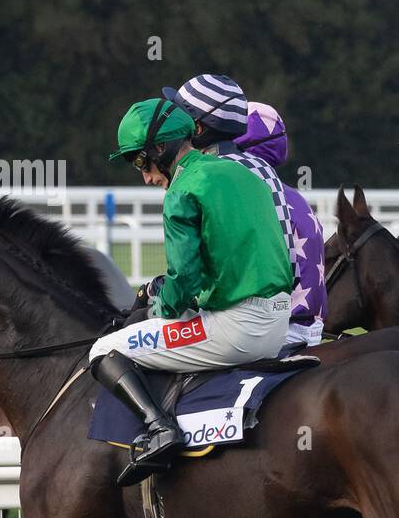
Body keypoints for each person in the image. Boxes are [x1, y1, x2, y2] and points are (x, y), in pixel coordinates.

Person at [89, 97, 294, 485]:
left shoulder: (183, 190)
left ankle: (159, 428)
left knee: (104, 349)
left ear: (161, 149)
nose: (146, 177)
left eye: (140, 162)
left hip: (236, 329)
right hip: (278, 323)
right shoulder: (245, 173)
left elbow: (183, 281)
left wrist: (158, 307)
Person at [163, 74, 326, 346]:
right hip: (307, 326)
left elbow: (208, 276)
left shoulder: (223, 180)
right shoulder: (289, 193)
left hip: (266, 328)